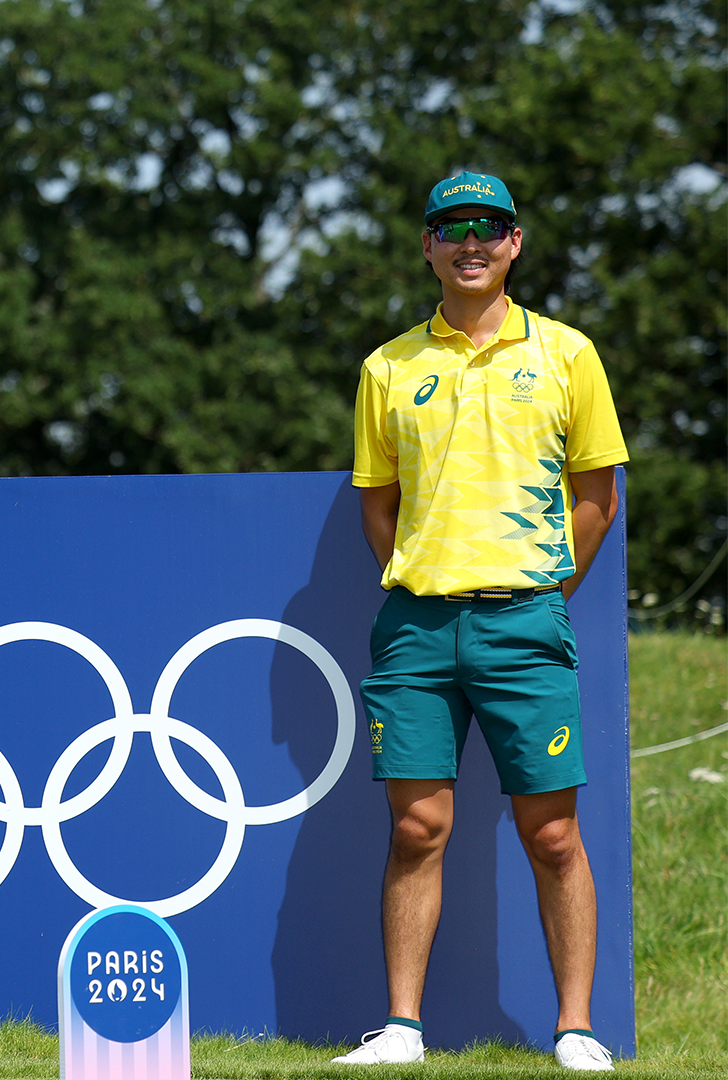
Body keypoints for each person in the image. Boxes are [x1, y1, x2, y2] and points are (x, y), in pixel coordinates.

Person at [335, 173, 628, 1071]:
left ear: (515, 242)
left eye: (488, 228)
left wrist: (538, 593)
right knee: (417, 829)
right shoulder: (387, 366)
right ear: (427, 245)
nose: (472, 243)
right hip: (418, 629)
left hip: (526, 626)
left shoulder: (569, 354)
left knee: (553, 835)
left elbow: (596, 500)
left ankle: (575, 1028)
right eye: (451, 228)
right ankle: (400, 1030)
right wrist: (433, 578)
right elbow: (378, 506)